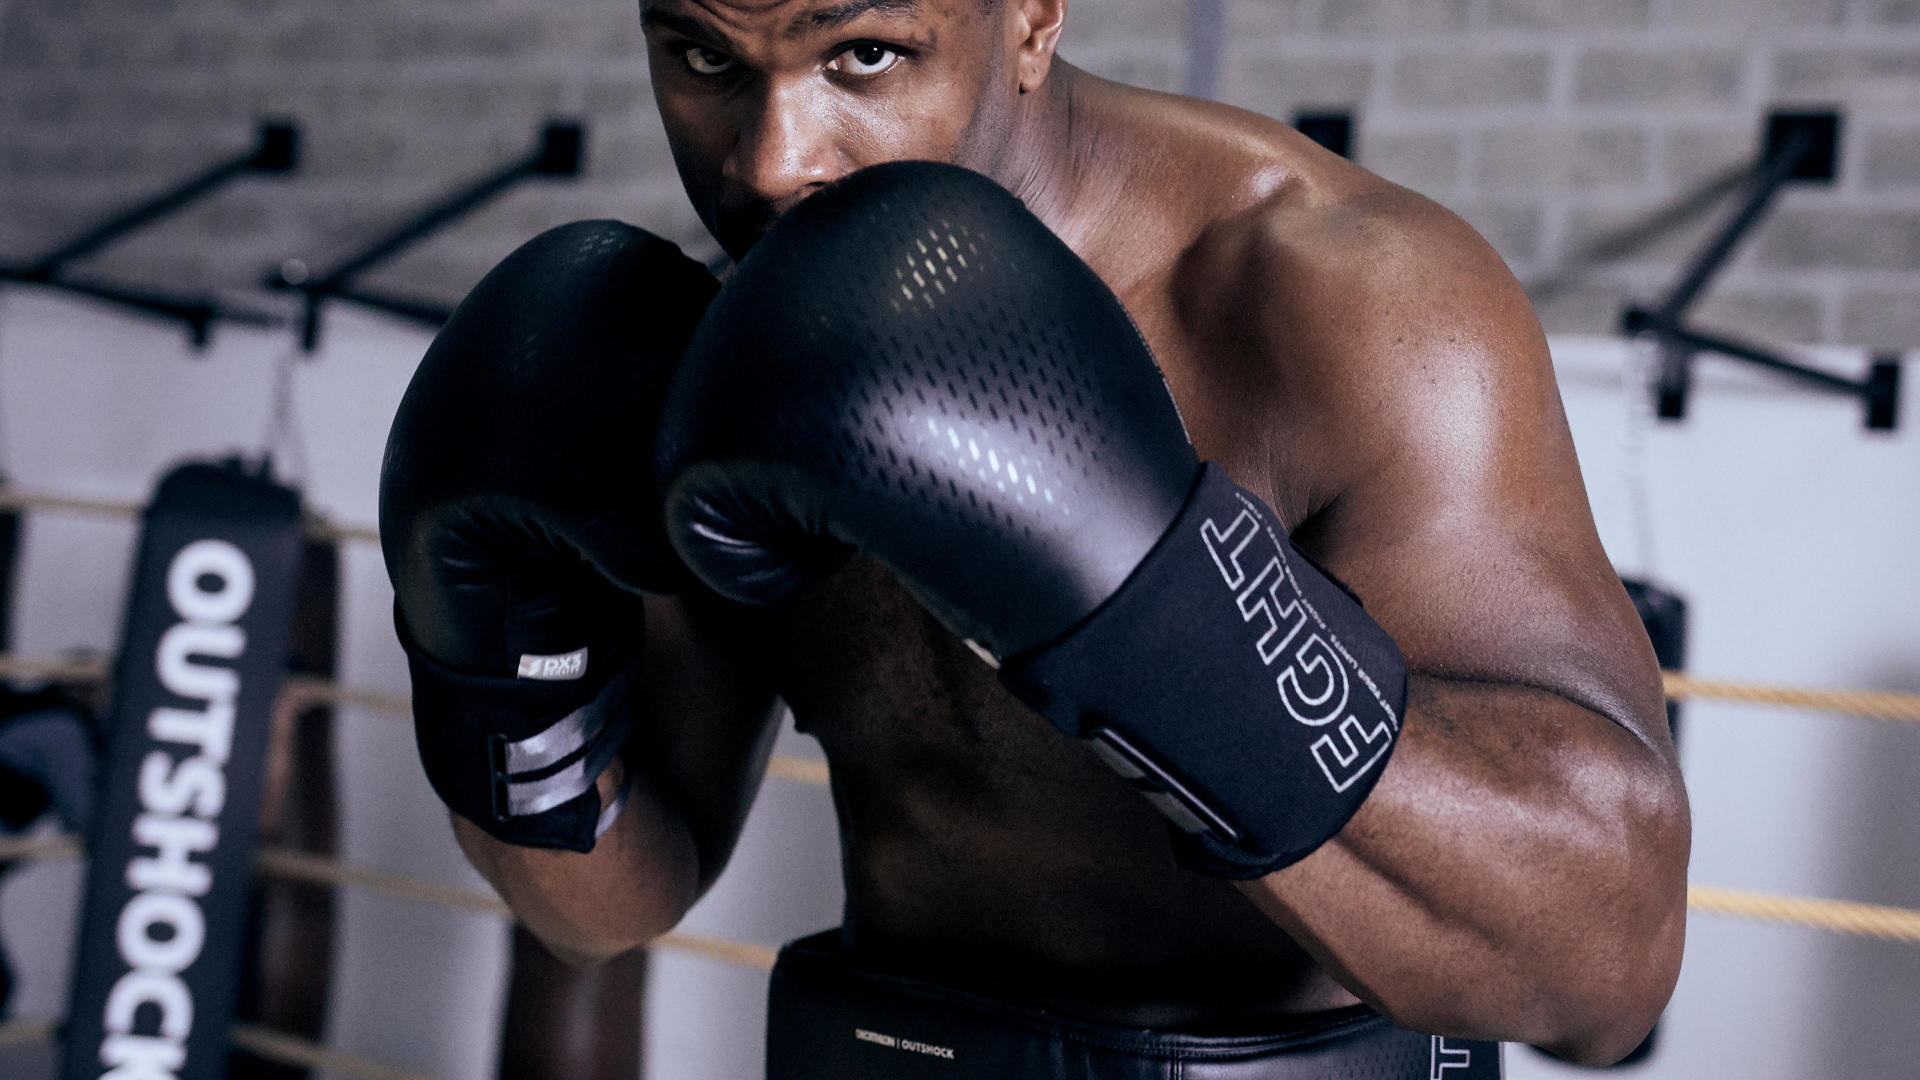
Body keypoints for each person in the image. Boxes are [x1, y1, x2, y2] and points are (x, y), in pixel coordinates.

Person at [380, 1, 1691, 1075]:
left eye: (862, 56)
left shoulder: (1340, 299)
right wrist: (494, 661)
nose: (773, 160)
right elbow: (602, 906)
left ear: (1030, 18)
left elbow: (1605, 972)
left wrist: (1151, 596)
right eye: (706, 59)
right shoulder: (752, 348)